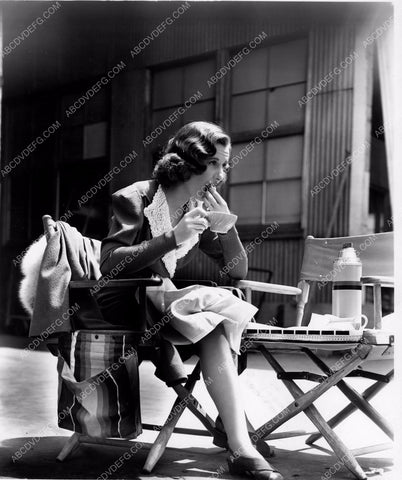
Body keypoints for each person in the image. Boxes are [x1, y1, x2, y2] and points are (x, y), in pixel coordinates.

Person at [98, 121, 283, 480]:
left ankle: (236, 435)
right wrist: (173, 236)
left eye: (225, 164)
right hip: (124, 306)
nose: (222, 172)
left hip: (160, 304)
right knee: (213, 319)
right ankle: (238, 437)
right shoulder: (135, 197)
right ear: (190, 162)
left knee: (222, 309)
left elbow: (236, 268)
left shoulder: (196, 207)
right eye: (215, 163)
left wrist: (226, 226)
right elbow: (109, 262)